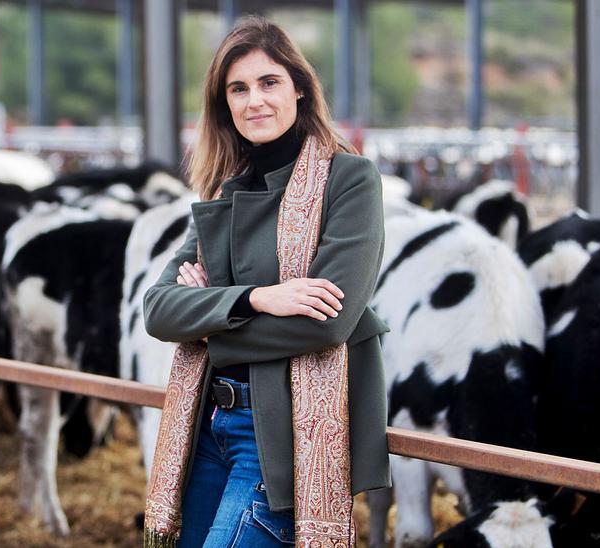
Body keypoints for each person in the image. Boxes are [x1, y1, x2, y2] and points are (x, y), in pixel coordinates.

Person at [141, 16, 390, 548]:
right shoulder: (223, 191)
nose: (254, 100)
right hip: (207, 426)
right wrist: (260, 298)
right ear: (224, 104)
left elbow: (328, 325)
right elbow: (159, 309)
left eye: (268, 82)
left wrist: (212, 324)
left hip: (280, 436)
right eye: (238, 88)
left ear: (298, 87)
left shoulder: (350, 180)